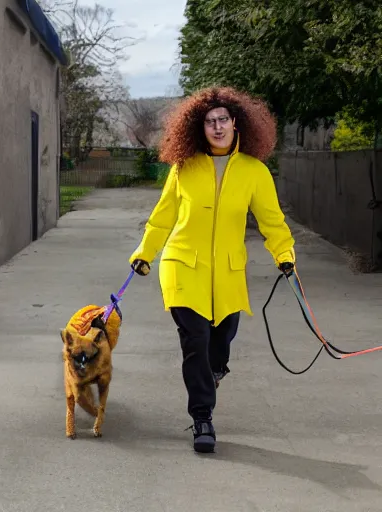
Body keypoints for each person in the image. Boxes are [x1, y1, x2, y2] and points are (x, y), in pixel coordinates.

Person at [128, 86, 296, 454]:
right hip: (182, 266)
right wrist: (145, 254)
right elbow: (162, 218)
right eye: (209, 122)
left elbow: (272, 220)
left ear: (236, 124)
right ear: (198, 128)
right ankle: (202, 417)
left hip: (228, 273)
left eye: (223, 120)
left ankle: (214, 372)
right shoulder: (184, 168)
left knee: (220, 344)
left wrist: (284, 254)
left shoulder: (254, 171)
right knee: (196, 342)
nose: (217, 127)